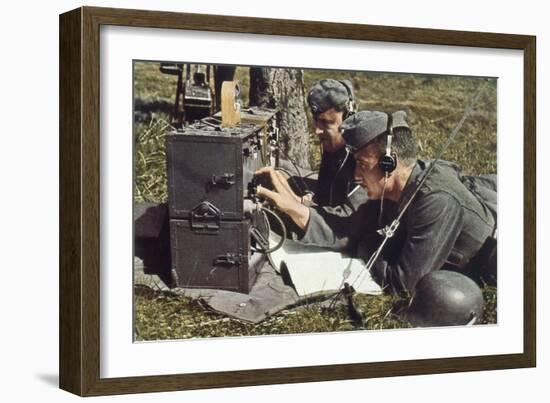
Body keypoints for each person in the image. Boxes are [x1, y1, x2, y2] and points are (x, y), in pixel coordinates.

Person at [256, 110, 497, 295]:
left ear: (388, 164)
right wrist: (298, 209)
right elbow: (348, 229)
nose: (356, 176)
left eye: (362, 164)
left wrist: (368, 245)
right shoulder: (394, 190)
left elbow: (405, 285)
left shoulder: (435, 201)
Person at [279, 79, 368, 212]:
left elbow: (345, 220)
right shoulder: (334, 148)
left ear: (348, 119)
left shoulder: (364, 157)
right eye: (316, 121)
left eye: (326, 123)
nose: (317, 131)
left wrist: (297, 204)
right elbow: (323, 197)